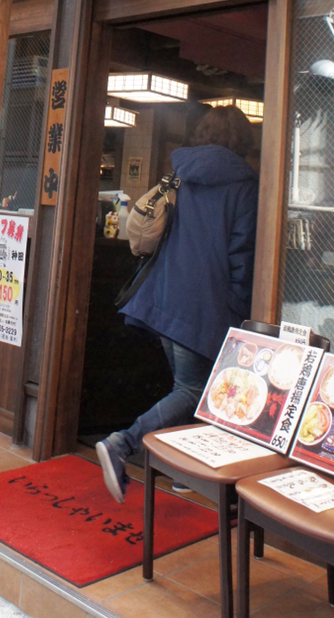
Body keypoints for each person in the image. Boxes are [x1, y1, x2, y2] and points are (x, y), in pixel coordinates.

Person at [96, 105, 258, 503]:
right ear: (243, 140)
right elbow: (243, 254)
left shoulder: (179, 174)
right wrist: (238, 310)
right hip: (206, 305)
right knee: (194, 390)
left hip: (164, 296)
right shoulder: (245, 186)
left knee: (188, 389)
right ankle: (122, 443)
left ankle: (186, 472)